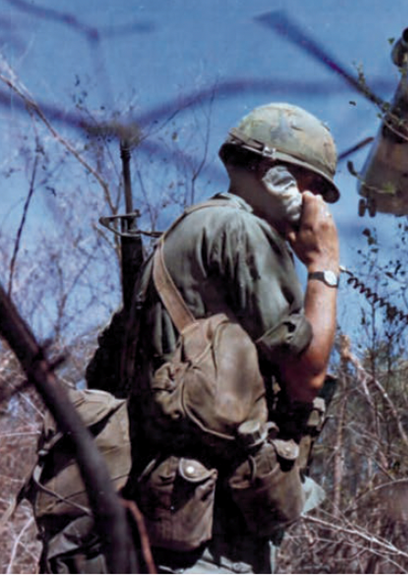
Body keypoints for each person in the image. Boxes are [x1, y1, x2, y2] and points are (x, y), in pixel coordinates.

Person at [122, 102, 342, 573]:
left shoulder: (190, 229)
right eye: (314, 187)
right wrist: (324, 266)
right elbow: (307, 376)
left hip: (172, 509)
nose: (317, 205)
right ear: (276, 176)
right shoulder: (242, 230)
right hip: (210, 534)